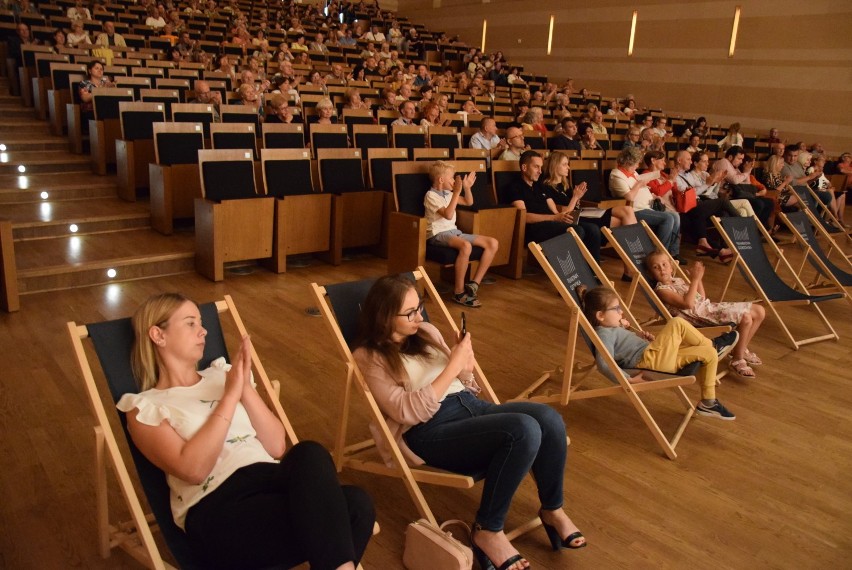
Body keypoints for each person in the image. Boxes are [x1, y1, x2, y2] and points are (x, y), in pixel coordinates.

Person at [117, 293, 374, 569]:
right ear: (158, 334)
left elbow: (276, 446)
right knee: (346, 514)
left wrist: (245, 388)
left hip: (270, 482)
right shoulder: (145, 407)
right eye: (190, 323)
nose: (203, 330)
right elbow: (194, 470)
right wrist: (230, 396)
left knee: (348, 495)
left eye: (201, 323)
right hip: (219, 510)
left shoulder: (222, 374)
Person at [353, 276, 585, 570]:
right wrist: (453, 365)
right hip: (430, 430)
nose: (418, 316)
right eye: (409, 313)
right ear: (385, 317)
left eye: (419, 307)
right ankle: (488, 529)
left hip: (469, 405)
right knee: (523, 430)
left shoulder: (425, 331)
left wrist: (466, 365)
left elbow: (466, 383)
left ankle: (552, 509)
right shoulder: (369, 357)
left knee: (548, 418)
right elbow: (406, 412)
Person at [576, 285, 738, 420]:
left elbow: (626, 347)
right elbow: (604, 363)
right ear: (600, 315)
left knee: (708, 353)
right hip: (650, 361)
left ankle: (708, 402)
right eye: (616, 309)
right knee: (677, 323)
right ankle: (713, 345)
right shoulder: (604, 334)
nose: (621, 312)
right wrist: (628, 381)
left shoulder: (613, 328)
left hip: (655, 358)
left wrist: (641, 338)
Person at [644, 252, 766, 379]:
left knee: (760, 311)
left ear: (671, 266)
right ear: (650, 273)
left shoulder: (678, 281)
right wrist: (695, 280)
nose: (662, 269)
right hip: (699, 318)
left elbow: (701, 298)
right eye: (656, 267)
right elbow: (688, 304)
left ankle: (741, 347)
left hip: (709, 309)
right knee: (746, 318)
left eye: (664, 264)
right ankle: (737, 359)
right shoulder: (662, 290)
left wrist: (698, 280)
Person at [424, 162, 499, 307]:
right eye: (452, 178)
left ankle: (474, 284)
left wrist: (466, 188)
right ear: (441, 180)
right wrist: (457, 192)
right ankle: (458, 292)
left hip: (454, 232)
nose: (454, 181)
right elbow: (448, 214)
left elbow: (469, 202)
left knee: (492, 243)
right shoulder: (431, 196)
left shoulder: (449, 194)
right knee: (466, 246)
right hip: (437, 234)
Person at [507, 150, 602, 261]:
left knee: (593, 229)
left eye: (541, 167)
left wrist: (562, 215)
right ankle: (569, 270)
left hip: (552, 223)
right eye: (536, 167)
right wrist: (555, 218)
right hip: (534, 228)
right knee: (576, 230)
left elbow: (555, 211)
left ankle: (593, 272)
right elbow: (524, 216)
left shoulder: (539, 186)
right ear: (524, 168)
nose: (540, 171)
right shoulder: (515, 187)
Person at [609, 147, 685, 265]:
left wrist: (653, 196)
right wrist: (639, 184)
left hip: (647, 206)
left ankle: (670, 252)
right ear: (628, 162)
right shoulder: (617, 175)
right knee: (668, 218)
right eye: (636, 162)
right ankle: (660, 254)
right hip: (634, 211)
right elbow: (629, 197)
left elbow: (642, 189)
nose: (638, 165)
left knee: (675, 215)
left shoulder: (633, 172)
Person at [671, 151, 737, 261]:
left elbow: (698, 192)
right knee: (723, 202)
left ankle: (724, 249)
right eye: (688, 159)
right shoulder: (675, 177)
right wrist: (708, 183)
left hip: (697, 205)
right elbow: (689, 194)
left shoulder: (686, 175)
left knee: (722, 213)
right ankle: (745, 224)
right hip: (688, 207)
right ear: (679, 160)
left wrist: (715, 181)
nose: (691, 161)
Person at [712, 146, 773, 229]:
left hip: (735, 195)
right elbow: (735, 180)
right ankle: (756, 229)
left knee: (769, 202)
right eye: (739, 158)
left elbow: (746, 185)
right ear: (730, 157)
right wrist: (747, 172)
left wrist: (747, 171)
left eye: (742, 159)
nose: (741, 162)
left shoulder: (734, 168)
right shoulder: (723, 162)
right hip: (723, 196)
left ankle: (761, 230)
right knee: (758, 204)